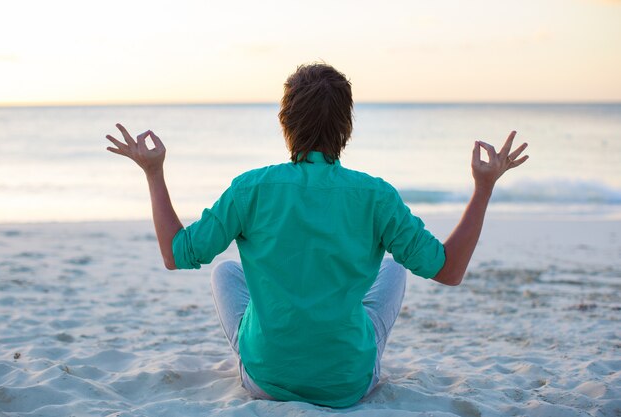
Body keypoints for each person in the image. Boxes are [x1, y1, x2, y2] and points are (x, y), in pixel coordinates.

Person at [105, 63, 528, 408]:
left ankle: (280, 347)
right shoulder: (375, 195)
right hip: (347, 384)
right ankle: (340, 343)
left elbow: (176, 254)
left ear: (285, 122)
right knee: (395, 270)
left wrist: (154, 172)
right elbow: (449, 270)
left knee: (224, 272)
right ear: (346, 126)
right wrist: (484, 187)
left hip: (266, 379)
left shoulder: (252, 188)